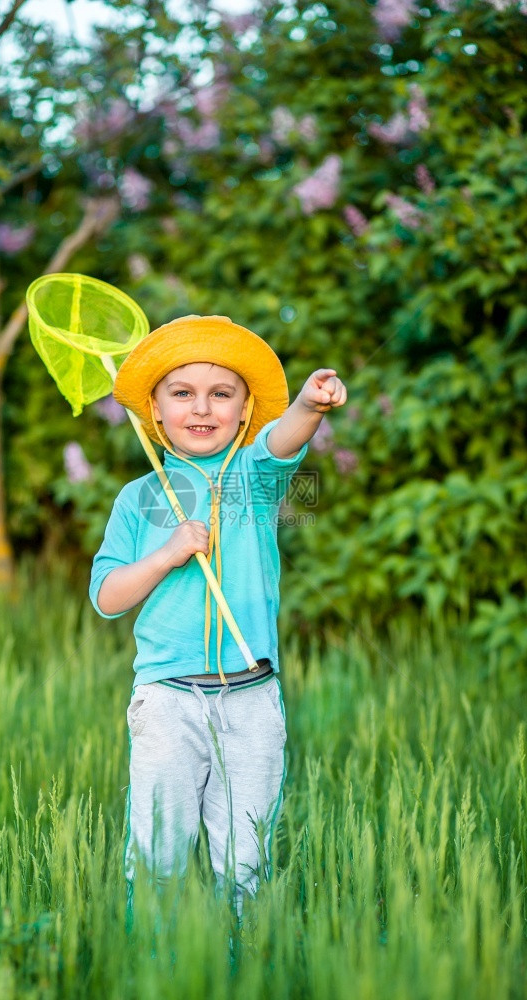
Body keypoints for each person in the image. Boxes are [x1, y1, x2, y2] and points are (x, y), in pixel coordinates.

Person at [89, 314, 347, 916]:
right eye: (182, 393)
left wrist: (310, 403)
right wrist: (168, 554)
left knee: (245, 857)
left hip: (251, 698)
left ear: (243, 408)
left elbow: (285, 440)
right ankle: (153, 963)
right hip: (168, 699)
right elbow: (107, 597)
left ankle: (244, 959)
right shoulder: (138, 496)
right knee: (158, 854)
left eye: (220, 393)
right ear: (154, 411)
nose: (201, 408)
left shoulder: (254, 476)